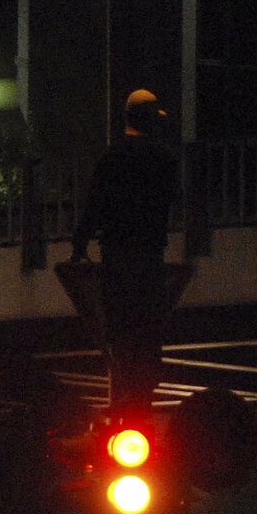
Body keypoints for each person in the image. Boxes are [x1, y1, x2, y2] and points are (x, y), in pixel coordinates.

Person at [70, 89, 181, 410]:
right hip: (150, 256)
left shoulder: (112, 158)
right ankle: (143, 390)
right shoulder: (165, 160)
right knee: (147, 329)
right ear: (150, 120)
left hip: (116, 256)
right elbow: (173, 199)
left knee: (119, 329)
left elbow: (95, 205)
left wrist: (80, 243)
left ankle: (124, 389)